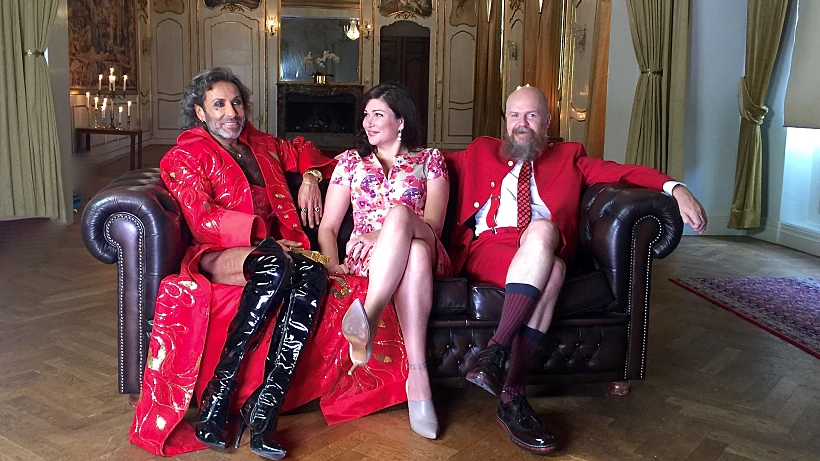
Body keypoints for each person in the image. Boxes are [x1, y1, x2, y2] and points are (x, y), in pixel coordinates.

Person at [446, 85, 707, 454]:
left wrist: (676, 188)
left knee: (544, 239)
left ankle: (496, 353)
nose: (522, 124)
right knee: (551, 269)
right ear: (505, 122)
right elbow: (425, 160)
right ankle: (513, 392)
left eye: (532, 115)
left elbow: (624, 172)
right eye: (515, 115)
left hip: (545, 244)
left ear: (547, 121)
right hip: (491, 248)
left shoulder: (570, 156)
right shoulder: (480, 151)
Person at [129, 67, 336, 459]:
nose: (231, 112)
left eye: (237, 103)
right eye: (219, 104)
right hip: (218, 251)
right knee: (276, 263)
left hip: (275, 249)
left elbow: (304, 148)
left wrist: (310, 176)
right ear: (200, 112)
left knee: (313, 271)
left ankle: (265, 410)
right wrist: (263, 239)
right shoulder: (183, 156)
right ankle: (217, 397)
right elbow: (202, 219)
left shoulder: (261, 144)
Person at [317, 82, 451, 439]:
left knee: (404, 220)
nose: (368, 122)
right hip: (373, 262)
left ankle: (369, 317)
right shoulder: (349, 162)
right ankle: (419, 381)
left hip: (426, 241)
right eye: (366, 115)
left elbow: (433, 225)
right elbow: (328, 227)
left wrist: (380, 233)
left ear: (401, 121)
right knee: (414, 254)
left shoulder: (430, 159)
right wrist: (333, 264)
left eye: (378, 114)